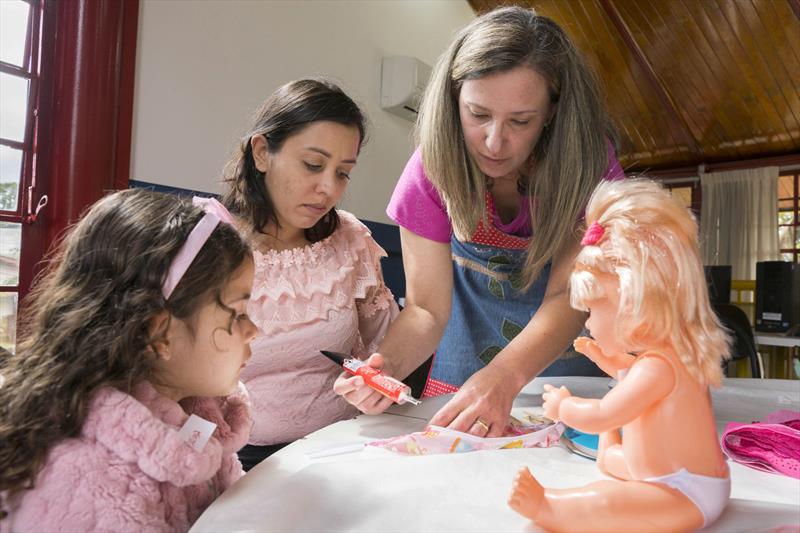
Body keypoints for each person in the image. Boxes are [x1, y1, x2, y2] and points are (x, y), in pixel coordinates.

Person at [335, 6, 623, 437]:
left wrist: (506, 375)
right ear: (454, 100)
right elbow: (426, 309)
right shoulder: (431, 168)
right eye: (478, 114)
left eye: (520, 121)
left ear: (552, 113)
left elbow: (567, 295)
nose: (494, 142)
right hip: (463, 362)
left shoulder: (587, 165)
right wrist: (386, 366)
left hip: (564, 369)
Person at [0, 190, 258, 531]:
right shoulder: (91, 486)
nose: (253, 330)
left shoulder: (195, 413)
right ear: (159, 335)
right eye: (238, 313)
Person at [508, 178, 732, 531]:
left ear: (632, 305)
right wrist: (609, 362)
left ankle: (549, 506)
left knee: (608, 500)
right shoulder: (665, 358)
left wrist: (563, 408)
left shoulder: (659, 366)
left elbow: (603, 414)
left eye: (594, 311)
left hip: (684, 491)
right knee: (612, 459)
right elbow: (638, 383)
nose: (589, 324)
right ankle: (609, 459)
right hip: (673, 473)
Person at [221, 78, 399, 471]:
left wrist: (376, 382)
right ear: (263, 152)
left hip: (341, 448)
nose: (328, 189)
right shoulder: (212, 246)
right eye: (313, 165)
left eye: (343, 173)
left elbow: (385, 347)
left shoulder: (350, 239)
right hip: (235, 460)